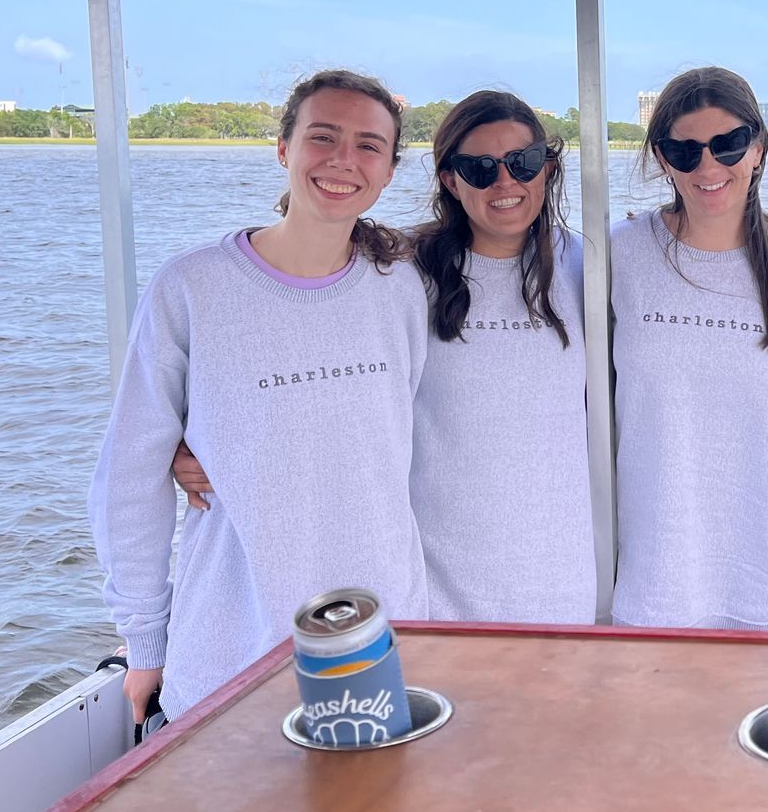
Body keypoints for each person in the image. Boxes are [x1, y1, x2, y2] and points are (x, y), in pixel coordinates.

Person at [89, 69, 429, 725]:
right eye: (322, 137)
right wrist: (146, 639)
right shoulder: (191, 288)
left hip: (383, 645)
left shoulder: (403, 288)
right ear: (283, 148)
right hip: (231, 650)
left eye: (368, 146)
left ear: (389, 171)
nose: (342, 161)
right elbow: (128, 480)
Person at [609, 66, 768, 630]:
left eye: (727, 145)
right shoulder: (620, 254)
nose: (708, 166)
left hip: (761, 578)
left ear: (757, 147)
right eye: (684, 151)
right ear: (662, 159)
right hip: (651, 580)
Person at [407, 90, 594, 623]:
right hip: (439, 592)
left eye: (523, 162)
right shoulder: (403, 276)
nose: (505, 182)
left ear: (548, 168)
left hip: (564, 586)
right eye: (480, 168)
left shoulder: (588, 266)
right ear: (450, 179)